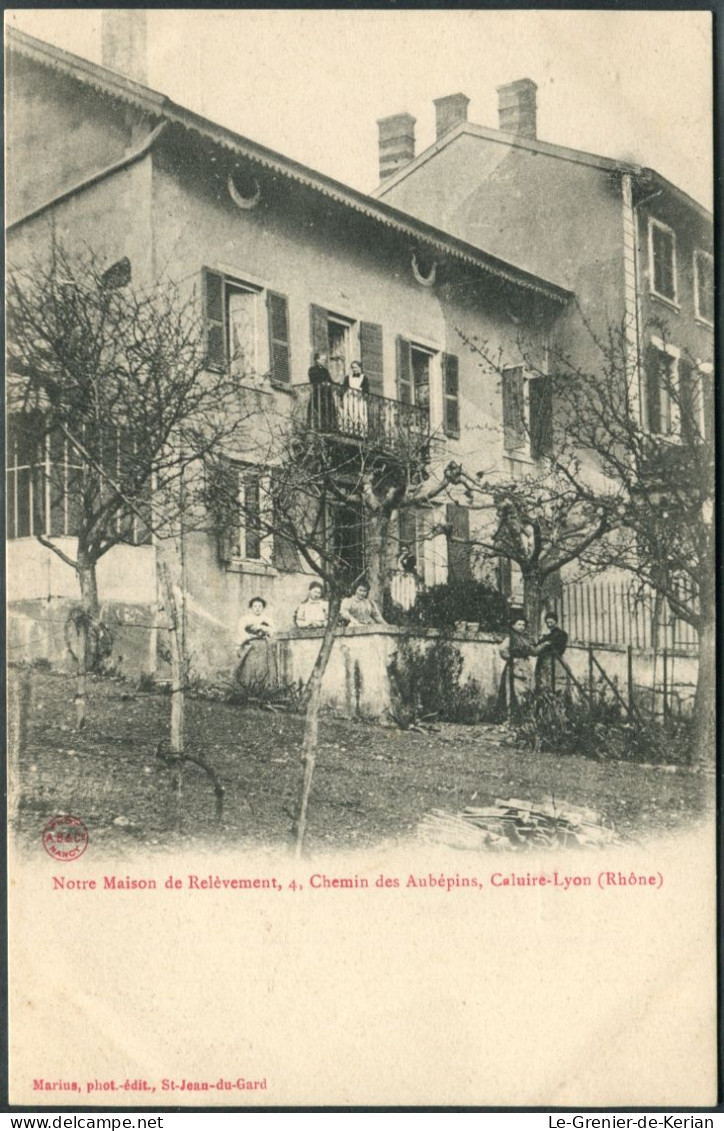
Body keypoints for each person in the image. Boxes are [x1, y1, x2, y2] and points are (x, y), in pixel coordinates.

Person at [497, 614, 537, 713]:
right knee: (514, 688)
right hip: (514, 665)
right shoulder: (510, 638)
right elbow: (502, 649)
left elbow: (532, 650)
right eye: (519, 624)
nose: (522, 627)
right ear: (513, 626)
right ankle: (511, 714)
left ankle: (525, 713)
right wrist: (511, 658)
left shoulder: (525, 639)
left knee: (527, 688)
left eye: (523, 625)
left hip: (525, 665)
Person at [236, 596, 278, 688]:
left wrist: (263, 628)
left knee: (263, 667)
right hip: (250, 645)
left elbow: (272, 631)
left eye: (260, 606)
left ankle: (264, 688)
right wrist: (251, 636)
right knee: (250, 667)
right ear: (251, 608)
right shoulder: (245, 619)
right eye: (255, 606)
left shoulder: (267, 619)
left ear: (263, 608)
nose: (257, 608)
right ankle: (249, 688)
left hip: (263, 645)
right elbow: (241, 631)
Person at [534, 611, 569, 691]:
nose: (549, 625)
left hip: (555, 660)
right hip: (543, 661)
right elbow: (538, 646)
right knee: (542, 681)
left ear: (556, 622)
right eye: (547, 622)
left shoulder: (562, 634)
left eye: (551, 622)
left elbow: (560, 649)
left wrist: (546, 644)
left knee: (555, 682)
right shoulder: (546, 635)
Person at [307, 351, 336, 432]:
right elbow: (313, 379)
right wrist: (322, 383)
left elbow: (330, 380)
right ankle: (316, 426)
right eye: (322, 360)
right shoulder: (312, 369)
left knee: (328, 410)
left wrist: (331, 384)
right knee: (317, 409)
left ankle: (329, 427)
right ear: (317, 360)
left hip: (326, 394)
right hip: (318, 393)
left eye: (325, 360)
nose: (324, 362)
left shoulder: (325, 371)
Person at [341, 360, 369, 436]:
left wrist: (362, 392)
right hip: (349, 397)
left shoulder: (364, 378)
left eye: (356, 367)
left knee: (358, 413)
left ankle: (360, 433)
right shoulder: (347, 377)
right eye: (353, 368)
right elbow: (344, 388)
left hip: (358, 398)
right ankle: (348, 431)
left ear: (360, 368)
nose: (354, 369)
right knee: (348, 413)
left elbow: (366, 390)